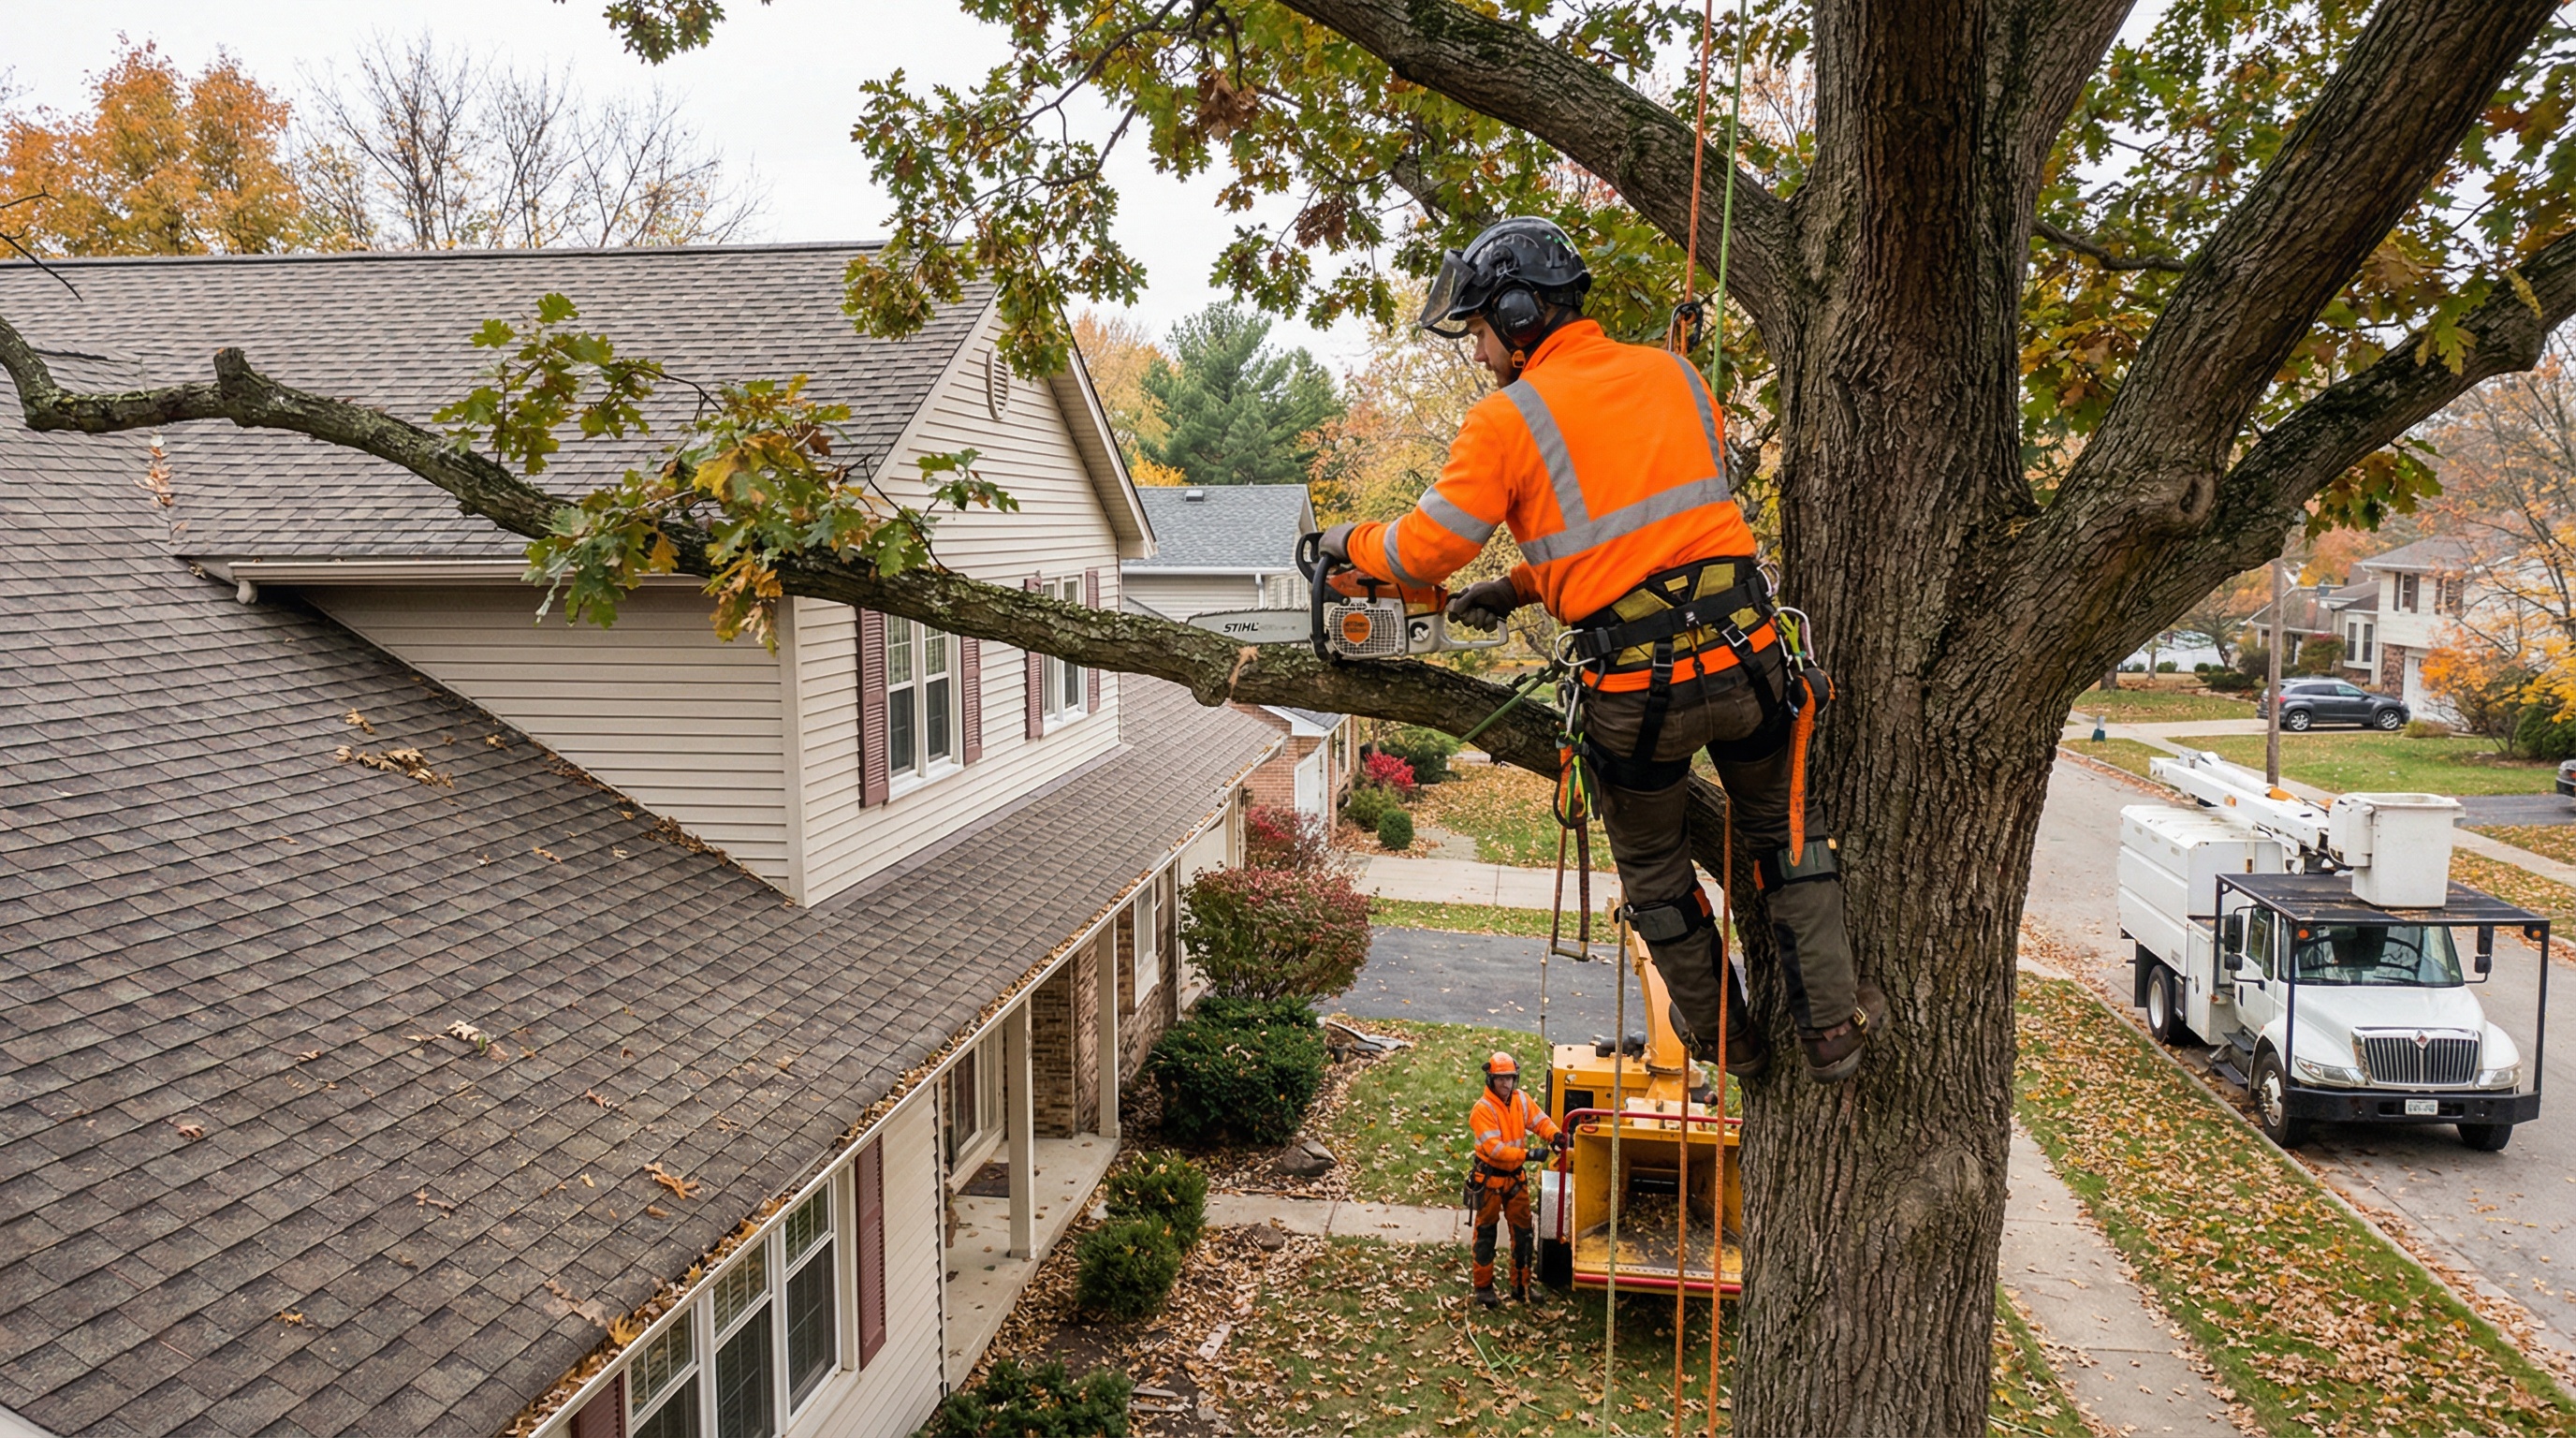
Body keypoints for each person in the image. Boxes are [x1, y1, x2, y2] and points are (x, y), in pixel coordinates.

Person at [1322, 215, 1883, 1083]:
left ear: (1516, 314)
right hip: (1747, 656)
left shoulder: (1507, 419)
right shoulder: (1678, 375)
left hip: (1637, 695)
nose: (1476, 353)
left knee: (1657, 873)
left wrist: (1344, 542)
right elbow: (1653, 542)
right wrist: (1515, 586)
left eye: (1476, 331)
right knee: (1781, 836)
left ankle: (1734, 1048)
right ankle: (1833, 1031)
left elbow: (1425, 551)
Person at [1467, 1051, 1560, 1306]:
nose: (1506, 1085)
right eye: (1501, 1080)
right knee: (1486, 1233)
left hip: (1515, 1179)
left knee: (1524, 1233)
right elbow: (1495, 1149)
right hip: (1490, 1181)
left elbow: (1540, 1121)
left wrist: (1555, 1136)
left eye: (1510, 1079)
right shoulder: (1482, 1110)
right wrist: (1529, 1154)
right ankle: (1483, 1288)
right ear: (1490, 1080)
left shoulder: (1521, 1100)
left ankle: (1521, 1286)